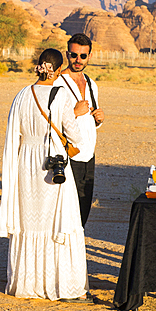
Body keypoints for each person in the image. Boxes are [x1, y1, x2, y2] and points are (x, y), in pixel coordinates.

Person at [0, 48, 89, 300]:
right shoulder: (61, 96)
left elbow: (13, 135)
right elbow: (75, 136)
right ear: (58, 71)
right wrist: (77, 114)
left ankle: (27, 285)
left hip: (26, 164)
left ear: (40, 67)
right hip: (53, 163)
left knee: (30, 221)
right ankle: (62, 285)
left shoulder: (21, 95)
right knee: (59, 221)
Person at [53, 33, 105, 227]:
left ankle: (75, 255)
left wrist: (98, 120)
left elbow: (89, 119)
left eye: (83, 56)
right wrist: (74, 112)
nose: (78, 60)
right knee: (65, 213)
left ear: (89, 56)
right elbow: (50, 122)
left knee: (83, 212)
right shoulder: (57, 83)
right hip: (68, 156)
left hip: (88, 156)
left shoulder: (92, 84)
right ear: (67, 54)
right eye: (74, 55)